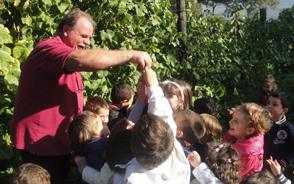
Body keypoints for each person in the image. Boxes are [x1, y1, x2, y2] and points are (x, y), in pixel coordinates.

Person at [9, 8, 152, 183]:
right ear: (66, 29)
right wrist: (131, 54)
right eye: (83, 36)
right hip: (42, 145)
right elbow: (81, 60)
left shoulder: (64, 57)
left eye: (90, 38)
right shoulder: (49, 49)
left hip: (60, 144)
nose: (87, 42)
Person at [223, 103, 272, 180]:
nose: (230, 122)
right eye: (232, 118)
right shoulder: (237, 136)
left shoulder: (249, 156)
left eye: (236, 121)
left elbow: (232, 176)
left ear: (249, 130)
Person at [67, 111, 109, 184]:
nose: (106, 122)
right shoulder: (104, 146)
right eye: (102, 123)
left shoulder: (81, 148)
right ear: (98, 132)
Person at [264, 91, 294, 172]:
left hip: (275, 168)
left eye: (274, 104)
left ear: (284, 110)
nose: (269, 106)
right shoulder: (262, 122)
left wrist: (283, 163)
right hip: (259, 164)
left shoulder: (288, 128)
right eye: (268, 103)